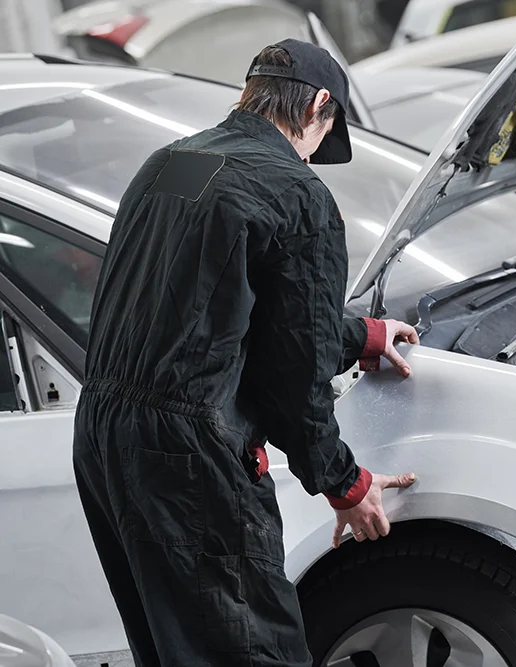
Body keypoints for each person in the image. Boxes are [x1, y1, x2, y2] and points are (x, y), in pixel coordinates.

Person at [72, 38, 418, 667]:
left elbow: (218, 312)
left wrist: (360, 335)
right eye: (323, 135)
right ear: (317, 104)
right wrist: (343, 481)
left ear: (248, 94)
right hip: (189, 455)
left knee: (177, 650)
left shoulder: (170, 164)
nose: (312, 156)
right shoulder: (297, 193)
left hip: (105, 437)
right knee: (253, 650)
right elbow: (295, 372)